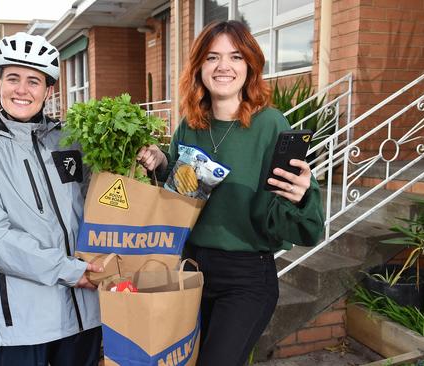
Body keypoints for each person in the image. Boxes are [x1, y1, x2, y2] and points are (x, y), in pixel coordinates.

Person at [137, 21, 324, 366]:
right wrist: (163, 162)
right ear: (199, 67)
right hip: (190, 267)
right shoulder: (189, 126)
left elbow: (307, 225)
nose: (223, 66)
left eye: (235, 56)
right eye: (212, 57)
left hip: (246, 277)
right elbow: (181, 194)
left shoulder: (271, 124)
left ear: (249, 65)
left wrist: (301, 197)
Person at [0, 32, 102, 366]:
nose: (22, 90)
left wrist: (154, 159)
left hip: (85, 313)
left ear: (48, 90)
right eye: (13, 78)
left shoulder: (70, 140)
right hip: (23, 323)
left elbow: (102, 200)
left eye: (34, 81)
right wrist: (69, 270)